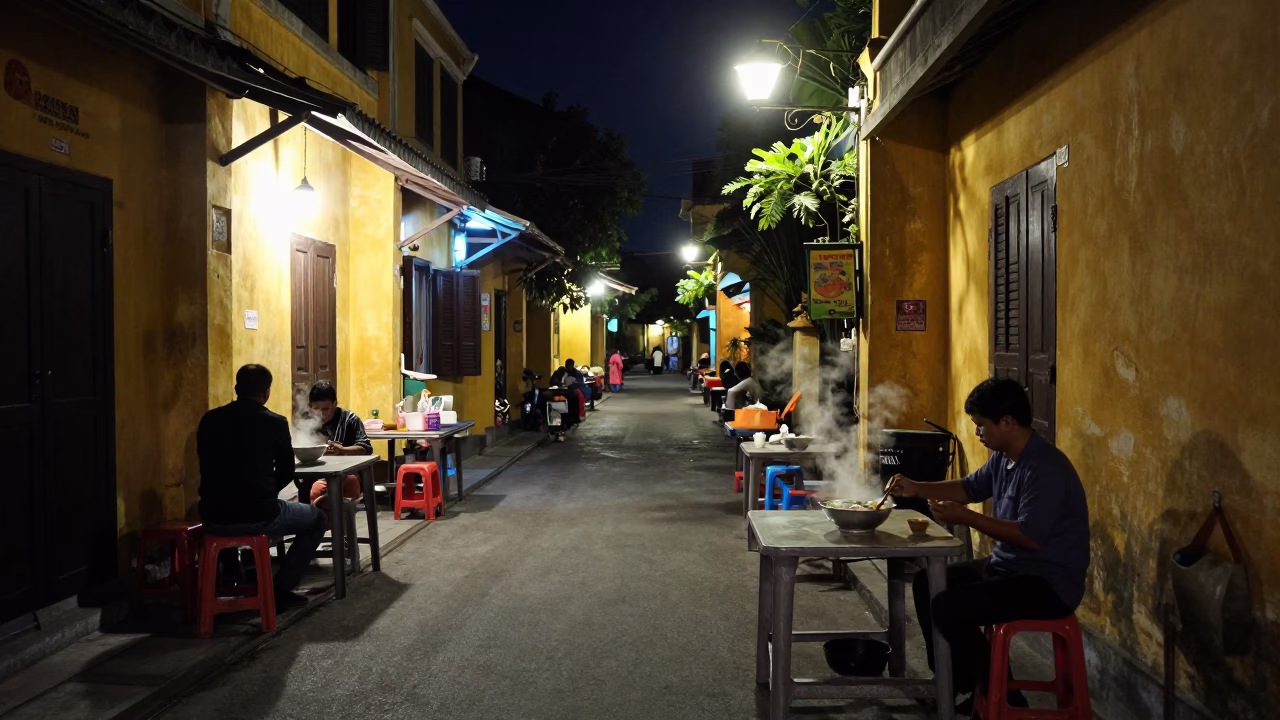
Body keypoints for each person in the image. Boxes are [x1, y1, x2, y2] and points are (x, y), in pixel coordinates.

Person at [886, 378, 1089, 713]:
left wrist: (966, 518)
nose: (978, 433)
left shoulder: (1045, 467)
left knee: (950, 607)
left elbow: (1030, 536)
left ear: (1007, 422)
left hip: (1048, 583)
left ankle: (1000, 693)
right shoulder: (1004, 457)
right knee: (928, 584)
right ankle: (965, 685)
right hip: (1009, 568)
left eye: (981, 425)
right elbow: (969, 487)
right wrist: (917, 488)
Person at [197, 364, 325, 610]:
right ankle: (280, 589)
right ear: (266, 392)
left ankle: (233, 580)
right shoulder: (274, 422)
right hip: (259, 513)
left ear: (236, 388)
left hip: (213, 516)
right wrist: (263, 493)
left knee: (227, 519)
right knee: (317, 518)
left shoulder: (210, 419)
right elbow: (288, 472)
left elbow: (205, 465)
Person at [306, 380, 372, 510]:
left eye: (326, 409)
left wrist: (342, 450)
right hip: (313, 474)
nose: (321, 414)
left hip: (346, 474)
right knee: (308, 491)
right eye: (316, 409)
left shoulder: (350, 419)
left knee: (319, 490)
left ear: (335, 404)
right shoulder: (307, 421)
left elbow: (366, 447)